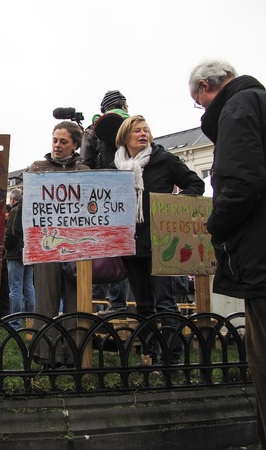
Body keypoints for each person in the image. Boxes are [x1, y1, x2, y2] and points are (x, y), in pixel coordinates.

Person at [189, 59, 266, 448]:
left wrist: (215, 224)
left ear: (207, 85)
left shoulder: (237, 107)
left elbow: (239, 183)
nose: (202, 110)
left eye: (199, 102)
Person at [113, 115, 204, 366]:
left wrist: (168, 208)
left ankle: (171, 358)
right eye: (137, 131)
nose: (143, 134)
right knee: (143, 304)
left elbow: (196, 185)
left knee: (166, 302)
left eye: (146, 130)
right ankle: (149, 355)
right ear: (125, 137)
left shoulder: (164, 160)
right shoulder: (117, 168)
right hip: (131, 243)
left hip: (160, 243)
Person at [25, 121, 89, 368]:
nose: (57, 145)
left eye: (63, 141)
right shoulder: (37, 168)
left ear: (74, 144)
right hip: (45, 245)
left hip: (77, 246)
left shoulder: (85, 170)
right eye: (54, 140)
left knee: (75, 300)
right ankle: (46, 353)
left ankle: (75, 353)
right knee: (46, 300)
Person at [80, 90, 131, 316]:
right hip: (127, 194)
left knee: (108, 249)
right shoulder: (132, 128)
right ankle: (118, 304)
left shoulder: (91, 132)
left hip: (101, 197)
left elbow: (84, 165)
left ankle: (109, 303)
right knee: (123, 250)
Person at [4, 188, 34, 330]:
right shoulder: (30, 209)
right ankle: (32, 319)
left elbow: (9, 233)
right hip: (28, 252)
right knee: (28, 287)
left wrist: (6, 247)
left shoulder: (15, 211)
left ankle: (14, 323)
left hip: (15, 253)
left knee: (15, 287)